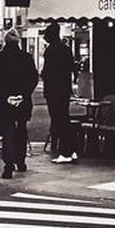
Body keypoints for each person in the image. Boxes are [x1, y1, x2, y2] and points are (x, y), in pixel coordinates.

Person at [0, 26, 39, 178]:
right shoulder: (26, 57)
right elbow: (33, 78)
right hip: (22, 99)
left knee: (7, 131)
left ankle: (8, 164)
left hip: (4, 101)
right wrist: (23, 95)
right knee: (22, 129)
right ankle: (21, 160)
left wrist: (5, 96)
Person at [41, 22, 78, 164]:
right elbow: (71, 68)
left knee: (58, 120)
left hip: (53, 90)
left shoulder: (50, 51)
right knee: (65, 119)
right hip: (64, 90)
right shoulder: (66, 49)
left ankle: (65, 152)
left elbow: (46, 72)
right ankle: (72, 149)